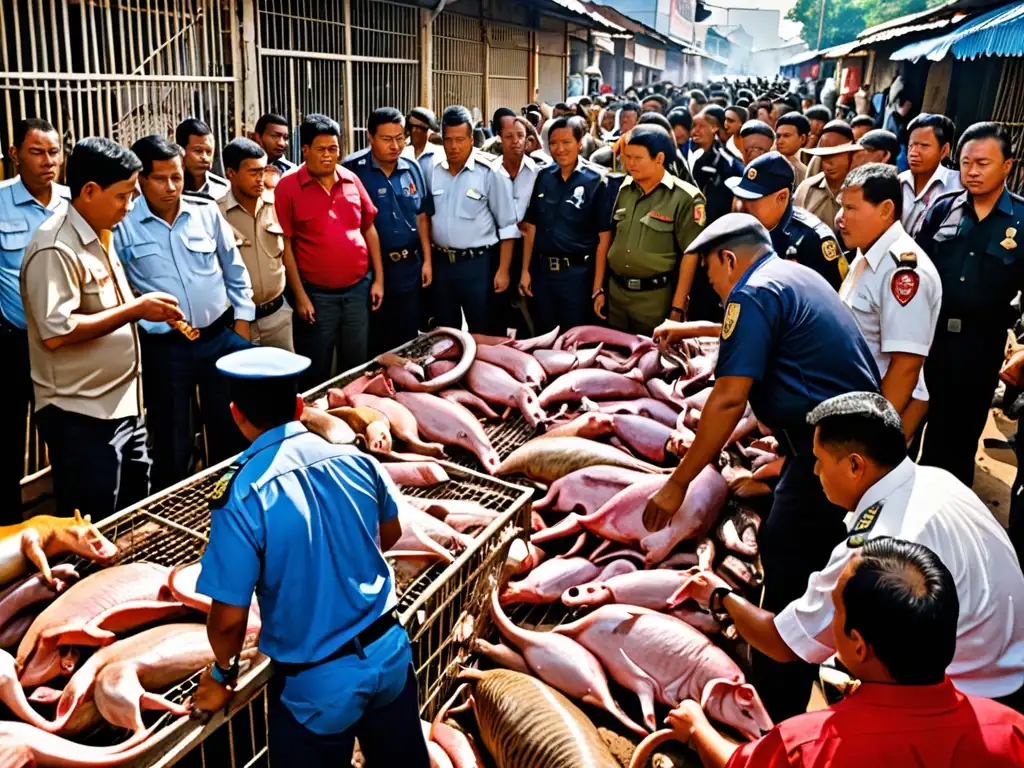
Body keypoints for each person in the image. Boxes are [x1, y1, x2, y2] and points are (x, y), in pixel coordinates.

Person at [646, 214, 880, 721]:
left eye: (711, 274)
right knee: (808, 557)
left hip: (833, 461)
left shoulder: (751, 294)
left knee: (789, 562)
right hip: (845, 447)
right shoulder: (794, 275)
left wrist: (677, 483)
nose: (713, 286)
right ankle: (801, 665)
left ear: (730, 259)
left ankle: (775, 710)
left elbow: (729, 399)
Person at [190, 346, 430, 768]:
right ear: (301, 406)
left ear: (235, 415)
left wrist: (222, 675)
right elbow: (389, 532)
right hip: (389, 654)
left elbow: (228, 621)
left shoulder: (242, 494)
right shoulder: (356, 459)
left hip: (317, 687)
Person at [667, 534, 1024, 768]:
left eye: (835, 608)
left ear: (858, 644)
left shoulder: (806, 746)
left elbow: (738, 765)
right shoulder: (1010, 729)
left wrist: (697, 729)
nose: (830, 617)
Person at [22, 138, 183, 519]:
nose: (129, 207)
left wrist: (141, 305)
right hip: (82, 416)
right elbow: (56, 332)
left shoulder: (99, 231)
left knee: (132, 514)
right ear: (90, 191)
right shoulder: (55, 247)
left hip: (123, 404)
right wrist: (136, 310)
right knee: (93, 524)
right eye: (124, 196)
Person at [114, 135, 254, 490]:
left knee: (229, 425)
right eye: (160, 178)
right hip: (166, 348)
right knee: (173, 435)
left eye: (176, 177)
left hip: (219, 339)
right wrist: (148, 323)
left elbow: (234, 268)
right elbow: (120, 289)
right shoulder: (122, 226)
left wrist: (241, 323)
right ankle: (175, 505)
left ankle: (231, 496)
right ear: (141, 179)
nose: (171, 187)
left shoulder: (205, 212)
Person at [916, 122, 1024, 485]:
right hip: (927, 343)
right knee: (904, 432)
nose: (972, 171)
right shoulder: (942, 210)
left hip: (979, 349)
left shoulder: (1021, 222)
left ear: (1007, 166)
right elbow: (914, 272)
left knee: (955, 445)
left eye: (983, 163)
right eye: (965, 163)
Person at [274, 114, 383, 389]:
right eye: (321, 149)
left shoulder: (350, 180)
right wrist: (300, 296)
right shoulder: (288, 187)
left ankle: (353, 420)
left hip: (358, 291)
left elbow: (368, 229)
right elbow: (285, 245)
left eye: (333, 149)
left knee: (357, 365)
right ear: (305, 150)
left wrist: (378, 279)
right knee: (316, 367)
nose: (328, 156)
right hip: (317, 296)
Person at [834, 163, 941, 439]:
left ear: (885, 210)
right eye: (841, 207)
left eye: (851, 209)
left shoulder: (902, 272)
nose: (840, 218)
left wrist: (872, 437)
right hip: (851, 402)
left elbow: (906, 366)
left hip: (876, 414)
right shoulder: (866, 252)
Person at [0, 118, 70, 521]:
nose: (48, 162)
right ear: (14, 155)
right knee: (11, 439)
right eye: (37, 152)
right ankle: (11, 533)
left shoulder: (73, 201)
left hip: (67, 344)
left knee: (66, 437)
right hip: (14, 344)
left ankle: (66, 525)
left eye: (54, 152)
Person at [598, 125, 706, 333]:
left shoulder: (686, 197)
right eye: (627, 157)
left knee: (653, 361)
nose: (630, 164)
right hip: (617, 296)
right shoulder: (625, 189)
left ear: (659, 158)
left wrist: (677, 307)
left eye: (638, 158)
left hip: (655, 300)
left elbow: (691, 255)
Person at [342, 108, 433, 354]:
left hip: (409, 268)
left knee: (407, 339)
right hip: (370, 270)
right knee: (374, 343)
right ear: (370, 137)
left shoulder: (412, 167)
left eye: (400, 138)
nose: (395, 145)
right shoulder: (352, 171)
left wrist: (427, 261)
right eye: (387, 139)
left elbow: (422, 216)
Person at [420, 105, 517, 333]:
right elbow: (424, 218)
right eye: (449, 140)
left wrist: (503, 271)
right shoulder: (431, 169)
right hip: (442, 263)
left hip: (479, 265)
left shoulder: (491, 171)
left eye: (460, 139)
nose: (454, 147)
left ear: (471, 139)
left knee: (485, 330)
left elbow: (508, 226)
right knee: (445, 334)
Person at [520, 116, 611, 333]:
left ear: (580, 143)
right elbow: (531, 227)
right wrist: (525, 270)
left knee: (575, 339)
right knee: (544, 337)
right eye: (553, 143)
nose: (559, 149)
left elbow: (604, 238)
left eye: (566, 142)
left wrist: (598, 287)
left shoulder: (596, 181)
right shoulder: (543, 177)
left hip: (578, 277)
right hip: (543, 275)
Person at [728, 152, 847, 290]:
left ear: (782, 197)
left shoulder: (813, 239)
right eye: (742, 198)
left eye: (752, 200)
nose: (743, 205)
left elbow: (833, 299)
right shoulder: (745, 228)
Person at [220, 138, 294, 352]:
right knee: (243, 383)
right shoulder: (216, 214)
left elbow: (287, 254)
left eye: (263, 171)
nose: (260, 179)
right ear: (231, 174)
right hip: (237, 322)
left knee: (284, 381)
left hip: (277, 315)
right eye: (253, 173)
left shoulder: (277, 205)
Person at [491, 115, 540, 336]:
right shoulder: (489, 172)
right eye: (509, 136)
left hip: (529, 250)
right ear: (499, 138)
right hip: (496, 249)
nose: (516, 141)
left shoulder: (539, 172)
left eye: (520, 136)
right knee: (497, 312)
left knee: (529, 314)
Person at [901, 113, 962, 236]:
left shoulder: (958, 186)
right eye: (911, 146)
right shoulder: (899, 181)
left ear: (944, 150)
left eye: (923, 146)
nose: (913, 153)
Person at [796, 122, 859, 238]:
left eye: (836, 155)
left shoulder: (860, 190)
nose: (828, 163)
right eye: (824, 156)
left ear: (851, 155)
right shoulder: (806, 188)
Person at [688, 108, 742, 226]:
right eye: (693, 126)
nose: (695, 131)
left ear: (715, 128)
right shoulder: (695, 157)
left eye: (701, 126)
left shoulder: (726, 162)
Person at [175, 118, 229, 201]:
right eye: (198, 151)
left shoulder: (224, 190)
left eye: (209, 152)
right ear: (181, 151)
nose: (204, 157)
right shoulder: (171, 189)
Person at [775, 113, 810, 187]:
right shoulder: (768, 164)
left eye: (786, 136)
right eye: (778, 136)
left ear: (802, 138)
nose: (780, 141)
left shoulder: (806, 173)